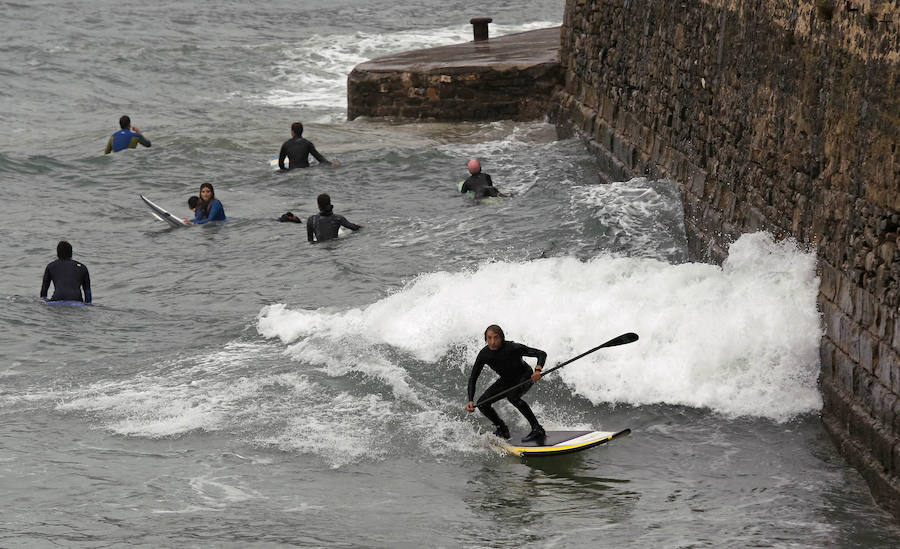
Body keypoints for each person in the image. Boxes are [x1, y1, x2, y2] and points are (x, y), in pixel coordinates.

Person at [464, 324, 547, 442]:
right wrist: (470, 400)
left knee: (513, 397)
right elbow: (473, 378)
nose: (492, 342)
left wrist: (537, 370)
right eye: (489, 338)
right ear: (486, 339)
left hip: (524, 375)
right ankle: (502, 429)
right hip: (507, 380)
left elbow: (541, 354)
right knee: (482, 403)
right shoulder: (484, 354)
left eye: (496, 338)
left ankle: (537, 429)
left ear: (502, 338)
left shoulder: (513, 347)